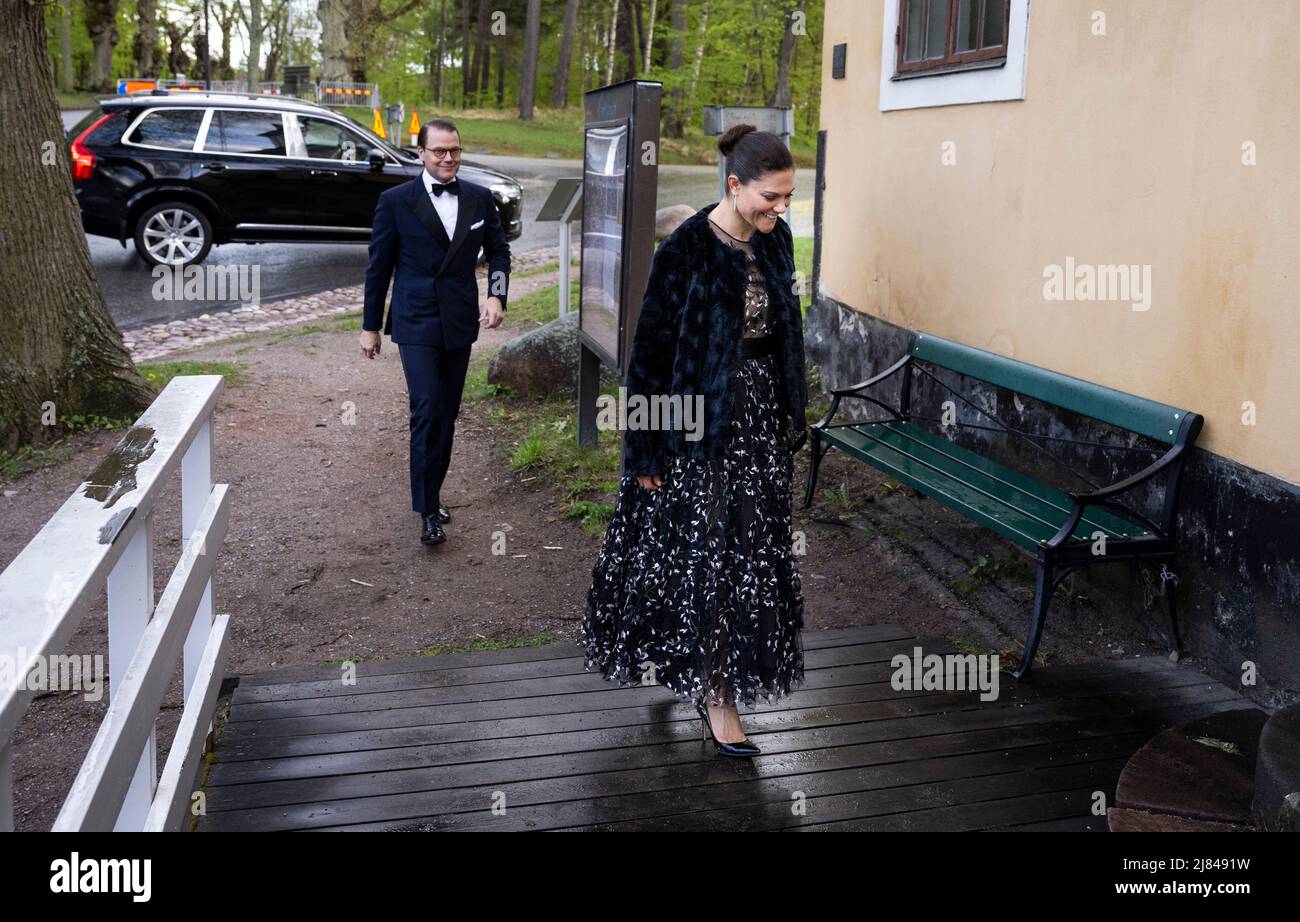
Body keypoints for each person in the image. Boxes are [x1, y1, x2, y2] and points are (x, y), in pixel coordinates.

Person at [580, 124, 808, 758]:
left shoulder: (777, 239)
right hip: (697, 430)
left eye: (788, 197)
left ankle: (715, 676)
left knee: (752, 556)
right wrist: (644, 451)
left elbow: (785, 327)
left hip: (759, 426)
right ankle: (717, 696)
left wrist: (792, 407)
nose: (781, 209)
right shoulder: (684, 249)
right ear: (734, 186)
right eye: (771, 197)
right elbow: (649, 355)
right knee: (707, 558)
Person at [360, 118, 511, 546]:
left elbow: (500, 253)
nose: (448, 159)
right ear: (421, 153)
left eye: (455, 151)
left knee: (446, 414)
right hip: (415, 320)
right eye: (440, 151)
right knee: (426, 410)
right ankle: (426, 509)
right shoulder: (395, 202)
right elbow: (379, 268)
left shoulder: (480, 198)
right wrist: (370, 327)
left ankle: (434, 492)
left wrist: (496, 296)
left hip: (460, 320)